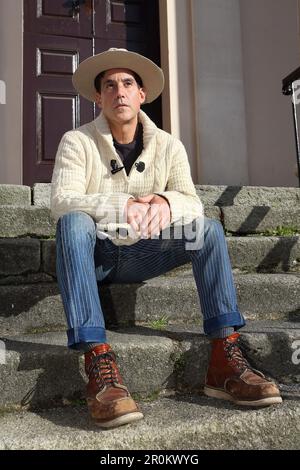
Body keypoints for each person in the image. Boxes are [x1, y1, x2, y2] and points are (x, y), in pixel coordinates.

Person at [51, 48, 282, 429]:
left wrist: (164, 202)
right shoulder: (77, 141)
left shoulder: (169, 146)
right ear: (99, 97)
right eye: (109, 86)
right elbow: (61, 202)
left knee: (206, 230)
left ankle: (224, 356)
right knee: (73, 222)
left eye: (128, 84)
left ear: (142, 94)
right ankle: (98, 360)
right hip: (94, 256)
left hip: (146, 252)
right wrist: (120, 206)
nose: (119, 92)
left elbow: (192, 202)